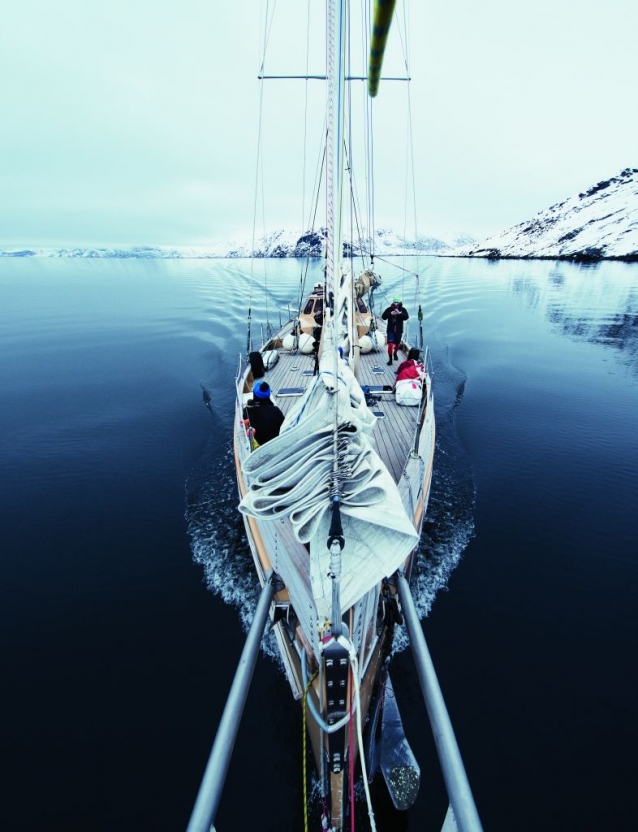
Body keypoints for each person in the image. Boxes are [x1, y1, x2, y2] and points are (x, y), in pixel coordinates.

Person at [245, 381, 285, 446]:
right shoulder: (276, 411)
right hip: (275, 445)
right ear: (268, 395)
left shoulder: (247, 410)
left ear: (254, 394)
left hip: (257, 447)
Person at [381, 297, 409, 365]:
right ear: (393, 302)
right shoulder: (389, 309)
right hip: (390, 330)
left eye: (397, 302)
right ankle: (390, 359)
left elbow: (406, 317)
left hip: (399, 331)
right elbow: (383, 317)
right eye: (394, 302)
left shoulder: (403, 309)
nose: (396, 303)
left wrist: (400, 313)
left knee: (397, 345)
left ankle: (395, 353)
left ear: (399, 302)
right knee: (390, 345)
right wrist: (390, 314)